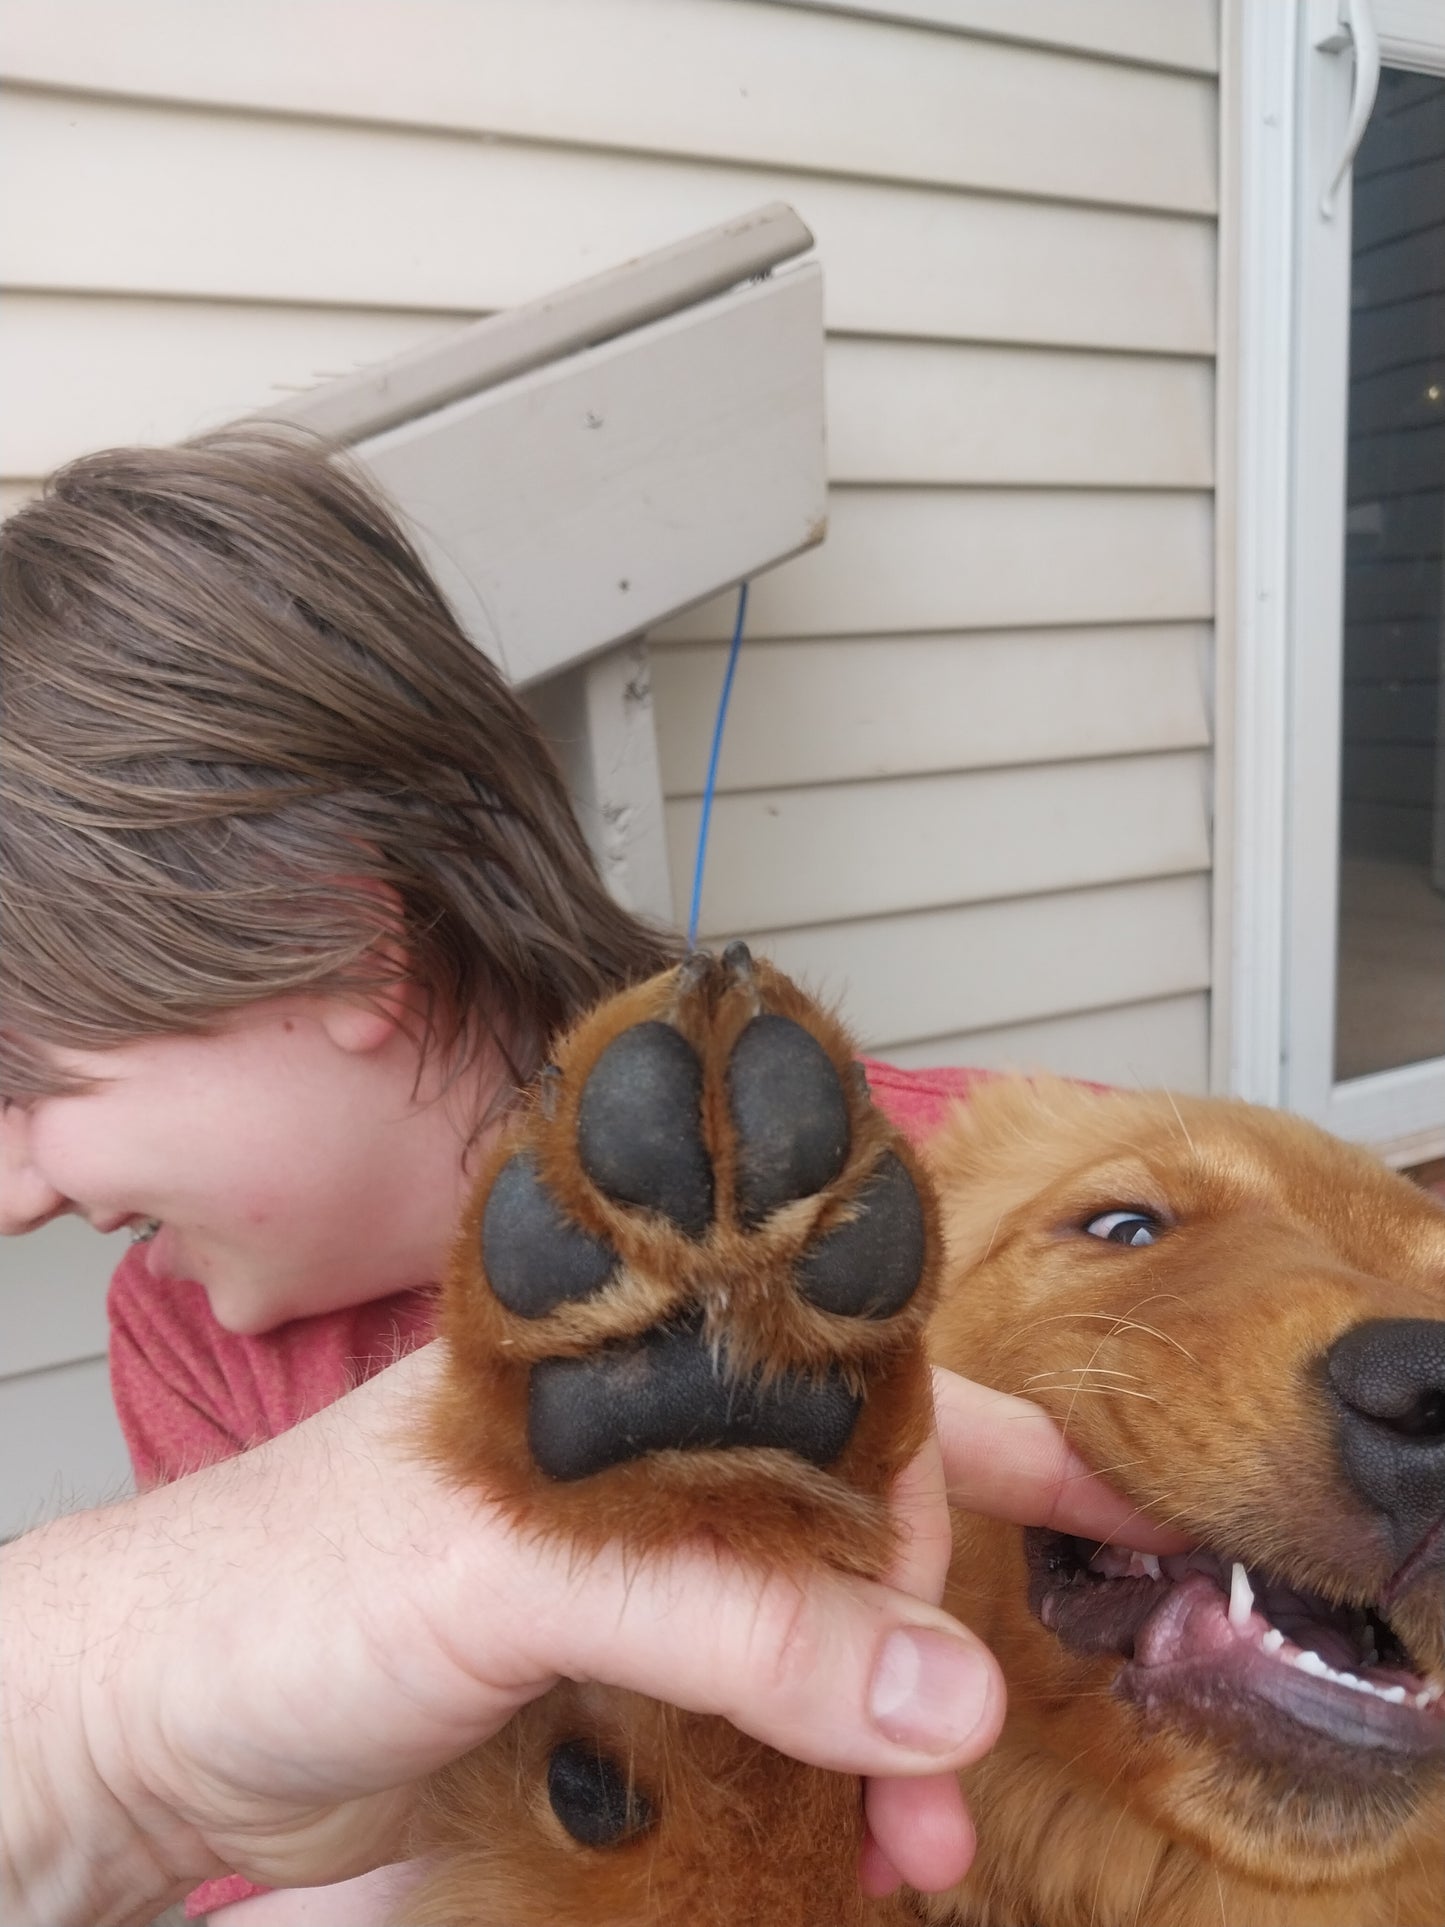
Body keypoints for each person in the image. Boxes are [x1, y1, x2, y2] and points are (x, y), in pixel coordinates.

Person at [0, 433, 1183, 1924]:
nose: (12, 1194)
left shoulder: (993, 1189)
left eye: (26, 1084)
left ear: (331, 937)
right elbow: (267, 1888)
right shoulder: (184, 1335)